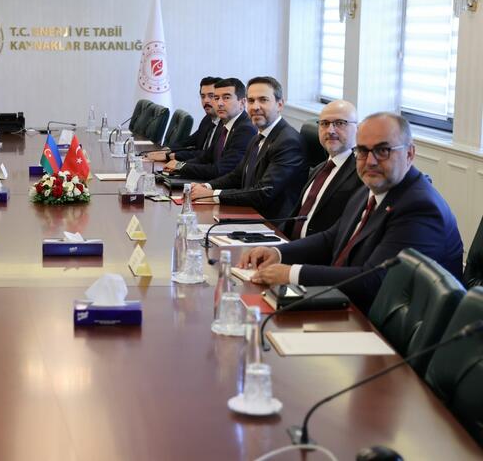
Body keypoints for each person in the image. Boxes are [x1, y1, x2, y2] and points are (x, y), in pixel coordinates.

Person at [240, 112, 463, 314]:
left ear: (410, 153)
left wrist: (291, 274)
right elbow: (332, 238)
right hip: (349, 305)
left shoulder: (419, 208)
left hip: (387, 331)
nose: (371, 161)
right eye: (363, 151)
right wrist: (278, 253)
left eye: (383, 151)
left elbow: (374, 281)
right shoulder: (370, 188)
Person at [190, 76, 308, 219]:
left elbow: (263, 192)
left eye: (263, 100)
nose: (255, 107)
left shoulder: (288, 142)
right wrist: (207, 187)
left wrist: (213, 195)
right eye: (251, 101)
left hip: (269, 223)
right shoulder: (258, 136)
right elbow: (237, 176)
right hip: (248, 213)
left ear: (280, 104)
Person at [281, 100, 364, 239]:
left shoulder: (361, 174)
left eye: (340, 123)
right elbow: (294, 218)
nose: (330, 130)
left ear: (358, 129)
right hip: (290, 245)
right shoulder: (320, 169)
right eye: (324, 123)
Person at [162, 77, 256, 181]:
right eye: (216, 98)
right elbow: (205, 158)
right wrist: (176, 166)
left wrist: (180, 166)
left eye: (226, 98)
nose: (219, 103)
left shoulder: (245, 130)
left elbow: (220, 170)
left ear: (242, 103)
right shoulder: (224, 124)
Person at [147, 76, 221, 162]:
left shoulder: (225, 127)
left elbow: (207, 154)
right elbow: (189, 141)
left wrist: (171, 156)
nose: (206, 100)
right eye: (203, 96)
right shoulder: (207, 119)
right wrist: (168, 149)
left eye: (211, 96)